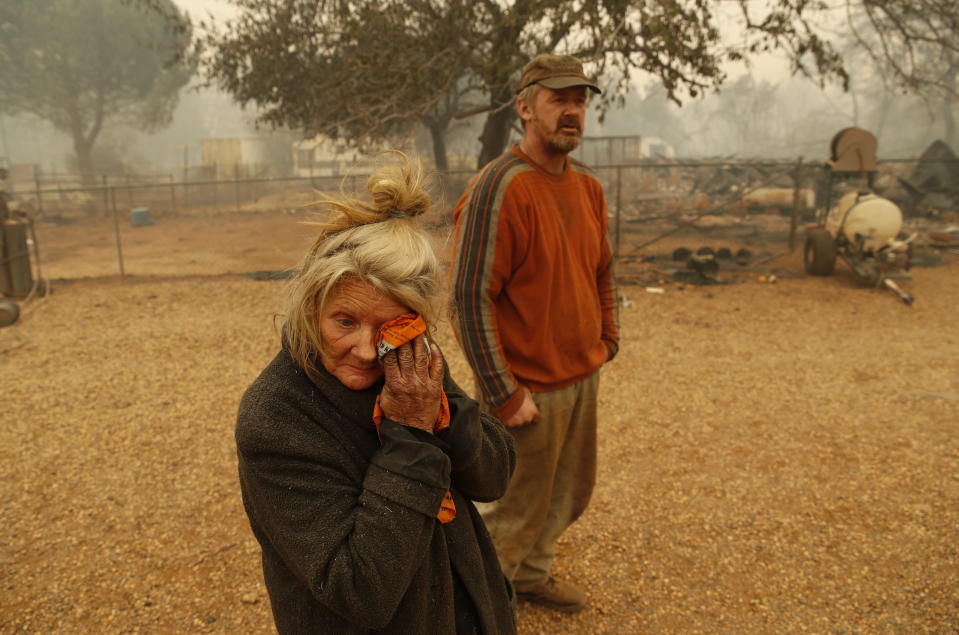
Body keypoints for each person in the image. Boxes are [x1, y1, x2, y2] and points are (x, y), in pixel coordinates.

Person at [236, 153, 517, 634]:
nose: (367, 351)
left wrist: (446, 415)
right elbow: (358, 590)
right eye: (344, 321)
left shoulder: (409, 359)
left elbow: (493, 479)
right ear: (311, 307)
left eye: (388, 325)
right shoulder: (275, 417)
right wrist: (410, 433)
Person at [450, 53, 619, 613]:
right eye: (558, 100)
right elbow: (469, 298)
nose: (572, 112)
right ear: (525, 108)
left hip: (580, 376)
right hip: (526, 391)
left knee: (567, 495)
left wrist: (608, 338)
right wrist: (503, 391)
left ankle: (527, 579)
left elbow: (600, 271)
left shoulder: (588, 188)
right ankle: (478, 608)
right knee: (510, 508)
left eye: (580, 101)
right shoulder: (500, 187)